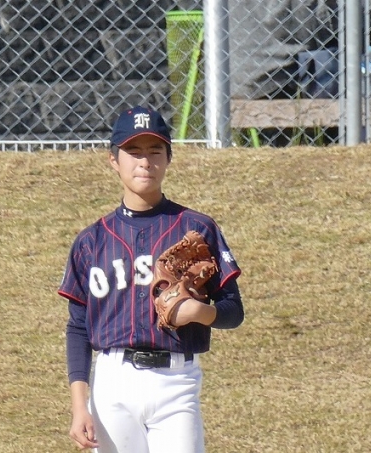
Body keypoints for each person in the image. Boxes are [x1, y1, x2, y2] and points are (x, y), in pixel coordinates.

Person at [58, 105, 244, 452]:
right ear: (113, 160)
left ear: (169, 158)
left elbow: (233, 311)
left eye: (155, 151)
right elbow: (78, 327)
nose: (145, 161)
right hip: (113, 380)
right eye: (133, 151)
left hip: (177, 381)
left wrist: (200, 312)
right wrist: (79, 405)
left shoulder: (197, 228)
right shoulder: (91, 241)